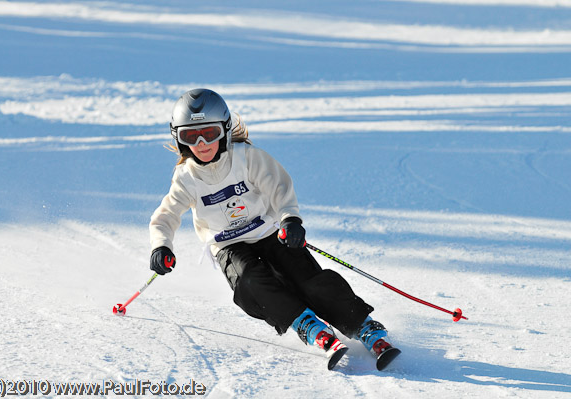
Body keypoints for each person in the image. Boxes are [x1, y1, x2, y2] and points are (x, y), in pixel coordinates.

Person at [149, 88, 400, 370]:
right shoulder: (186, 178)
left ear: (225, 129)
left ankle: (364, 328)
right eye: (190, 136)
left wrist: (290, 219)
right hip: (228, 245)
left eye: (209, 132)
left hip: (268, 231)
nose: (202, 143)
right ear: (179, 139)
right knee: (250, 281)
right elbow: (166, 215)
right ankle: (306, 324)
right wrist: (162, 245)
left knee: (309, 280)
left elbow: (278, 187)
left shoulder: (246, 157)